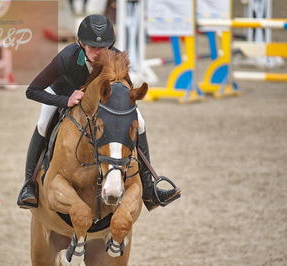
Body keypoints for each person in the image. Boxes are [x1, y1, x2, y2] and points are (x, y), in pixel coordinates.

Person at [18, 14, 178, 211]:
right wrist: (65, 100)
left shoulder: (117, 58)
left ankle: (149, 188)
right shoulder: (66, 58)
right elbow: (32, 90)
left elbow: (124, 91)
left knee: (141, 122)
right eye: (92, 46)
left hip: (98, 101)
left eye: (103, 47)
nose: (98, 52)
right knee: (43, 124)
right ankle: (29, 185)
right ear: (81, 44)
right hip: (63, 92)